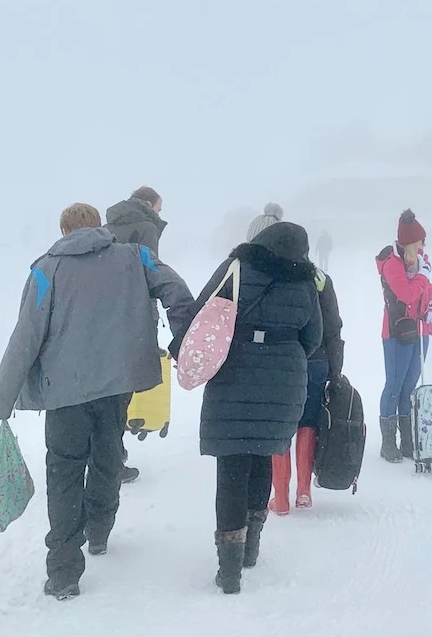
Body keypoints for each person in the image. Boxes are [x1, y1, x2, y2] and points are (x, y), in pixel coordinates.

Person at [0, 204, 194, 601]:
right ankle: (99, 530)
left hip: (65, 392)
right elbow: (177, 291)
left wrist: (0, 402)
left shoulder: (47, 270)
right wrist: (184, 339)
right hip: (118, 384)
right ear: (98, 226)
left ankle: (64, 571)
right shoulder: (135, 256)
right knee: (108, 454)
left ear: (63, 230)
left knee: (64, 471)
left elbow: (25, 337)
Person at [172, 220, 321, 595]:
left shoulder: (237, 268)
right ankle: (251, 547)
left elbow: (201, 313)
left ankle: (229, 569)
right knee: (261, 457)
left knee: (233, 463)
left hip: (233, 371)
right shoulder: (305, 281)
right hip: (284, 379)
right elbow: (314, 337)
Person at [268, 256, 344, 514]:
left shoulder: (275, 276)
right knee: (308, 421)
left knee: (280, 424)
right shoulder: (321, 278)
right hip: (317, 360)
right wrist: (336, 369)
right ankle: (303, 491)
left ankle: (280, 499)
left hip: (283, 360)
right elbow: (333, 327)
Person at [105, 185, 167, 484]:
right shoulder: (146, 228)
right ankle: (112, 459)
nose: (160, 214)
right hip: (133, 316)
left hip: (103, 316)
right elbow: (150, 273)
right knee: (122, 391)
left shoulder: (106, 226)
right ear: (150, 204)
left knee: (104, 391)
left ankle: (107, 453)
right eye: (159, 208)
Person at [376, 210, 432, 462]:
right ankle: (388, 442)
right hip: (398, 332)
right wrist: (423, 276)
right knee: (394, 385)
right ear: (412, 243)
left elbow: (428, 290)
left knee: (410, 386)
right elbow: (406, 294)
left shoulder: (420, 261)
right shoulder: (392, 263)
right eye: (421, 241)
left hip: (421, 331)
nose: (425, 246)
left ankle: (407, 440)